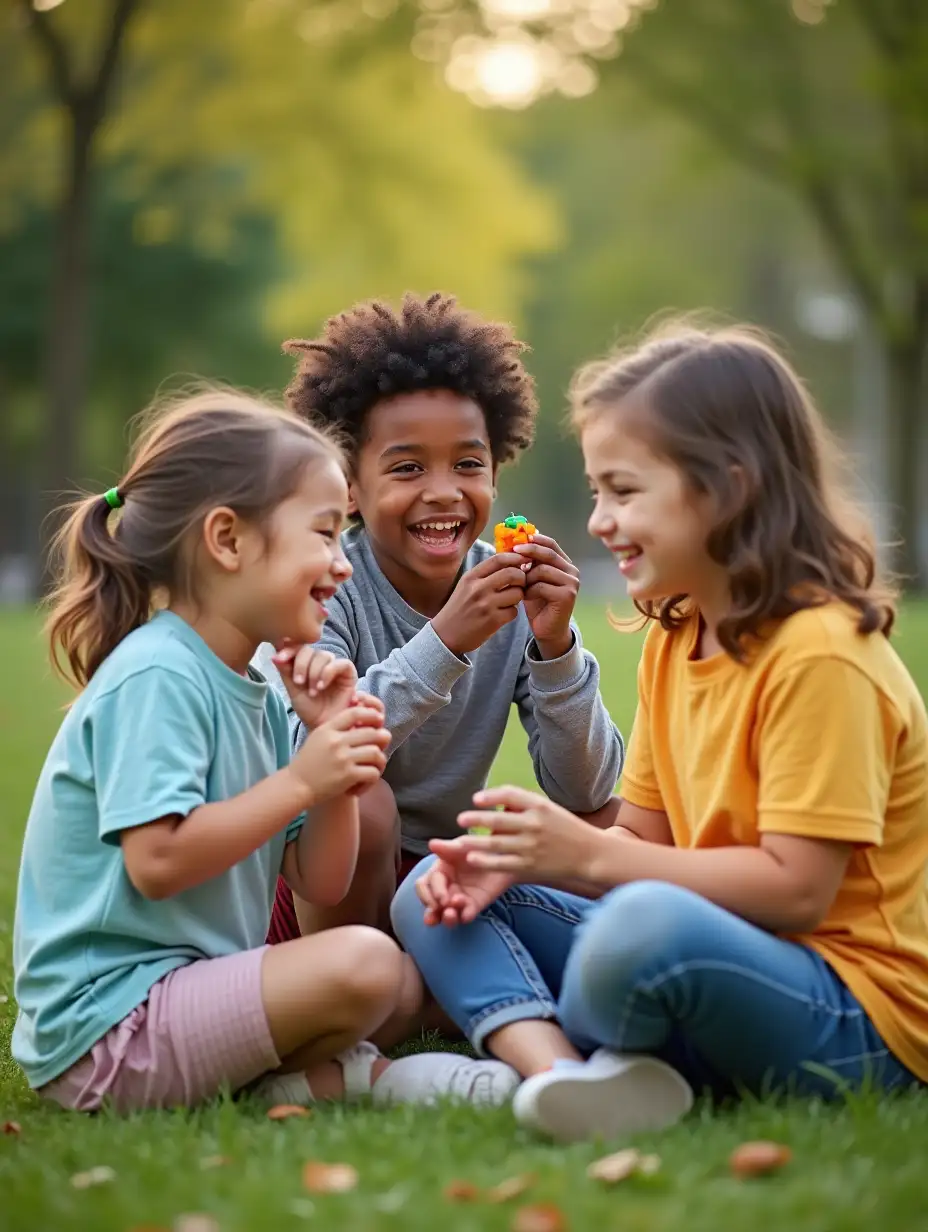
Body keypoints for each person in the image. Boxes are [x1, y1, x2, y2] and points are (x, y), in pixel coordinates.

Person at [391, 320, 928, 1142]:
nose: (600, 521)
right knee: (435, 892)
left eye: (625, 490)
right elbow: (646, 836)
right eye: (598, 492)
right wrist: (515, 864)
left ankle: (571, 1049)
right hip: (709, 958)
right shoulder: (679, 637)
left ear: (728, 487)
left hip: (854, 1014)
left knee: (639, 931)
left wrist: (580, 852)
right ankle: (561, 1080)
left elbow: (797, 890)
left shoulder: (822, 651)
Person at [11, 388, 519, 1114]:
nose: (340, 563)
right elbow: (157, 864)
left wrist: (331, 751)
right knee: (371, 965)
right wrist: (303, 783)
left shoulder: (256, 679)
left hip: (189, 996)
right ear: (227, 540)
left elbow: (320, 878)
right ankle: (356, 1078)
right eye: (320, 533)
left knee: (398, 981)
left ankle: (307, 1081)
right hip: (109, 1029)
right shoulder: (160, 673)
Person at [253, 292, 624, 946]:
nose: (445, 491)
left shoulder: (508, 594)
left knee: (616, 820)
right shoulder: (319, 586)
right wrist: (447, 641)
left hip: (431, 871)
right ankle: (363, 994)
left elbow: (584, 790)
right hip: (310, 883)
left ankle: (433, 980)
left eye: (469, 464)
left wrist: (556, 648)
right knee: (365, 800)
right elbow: (303, 757)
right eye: (407, 467)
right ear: (348, 486)